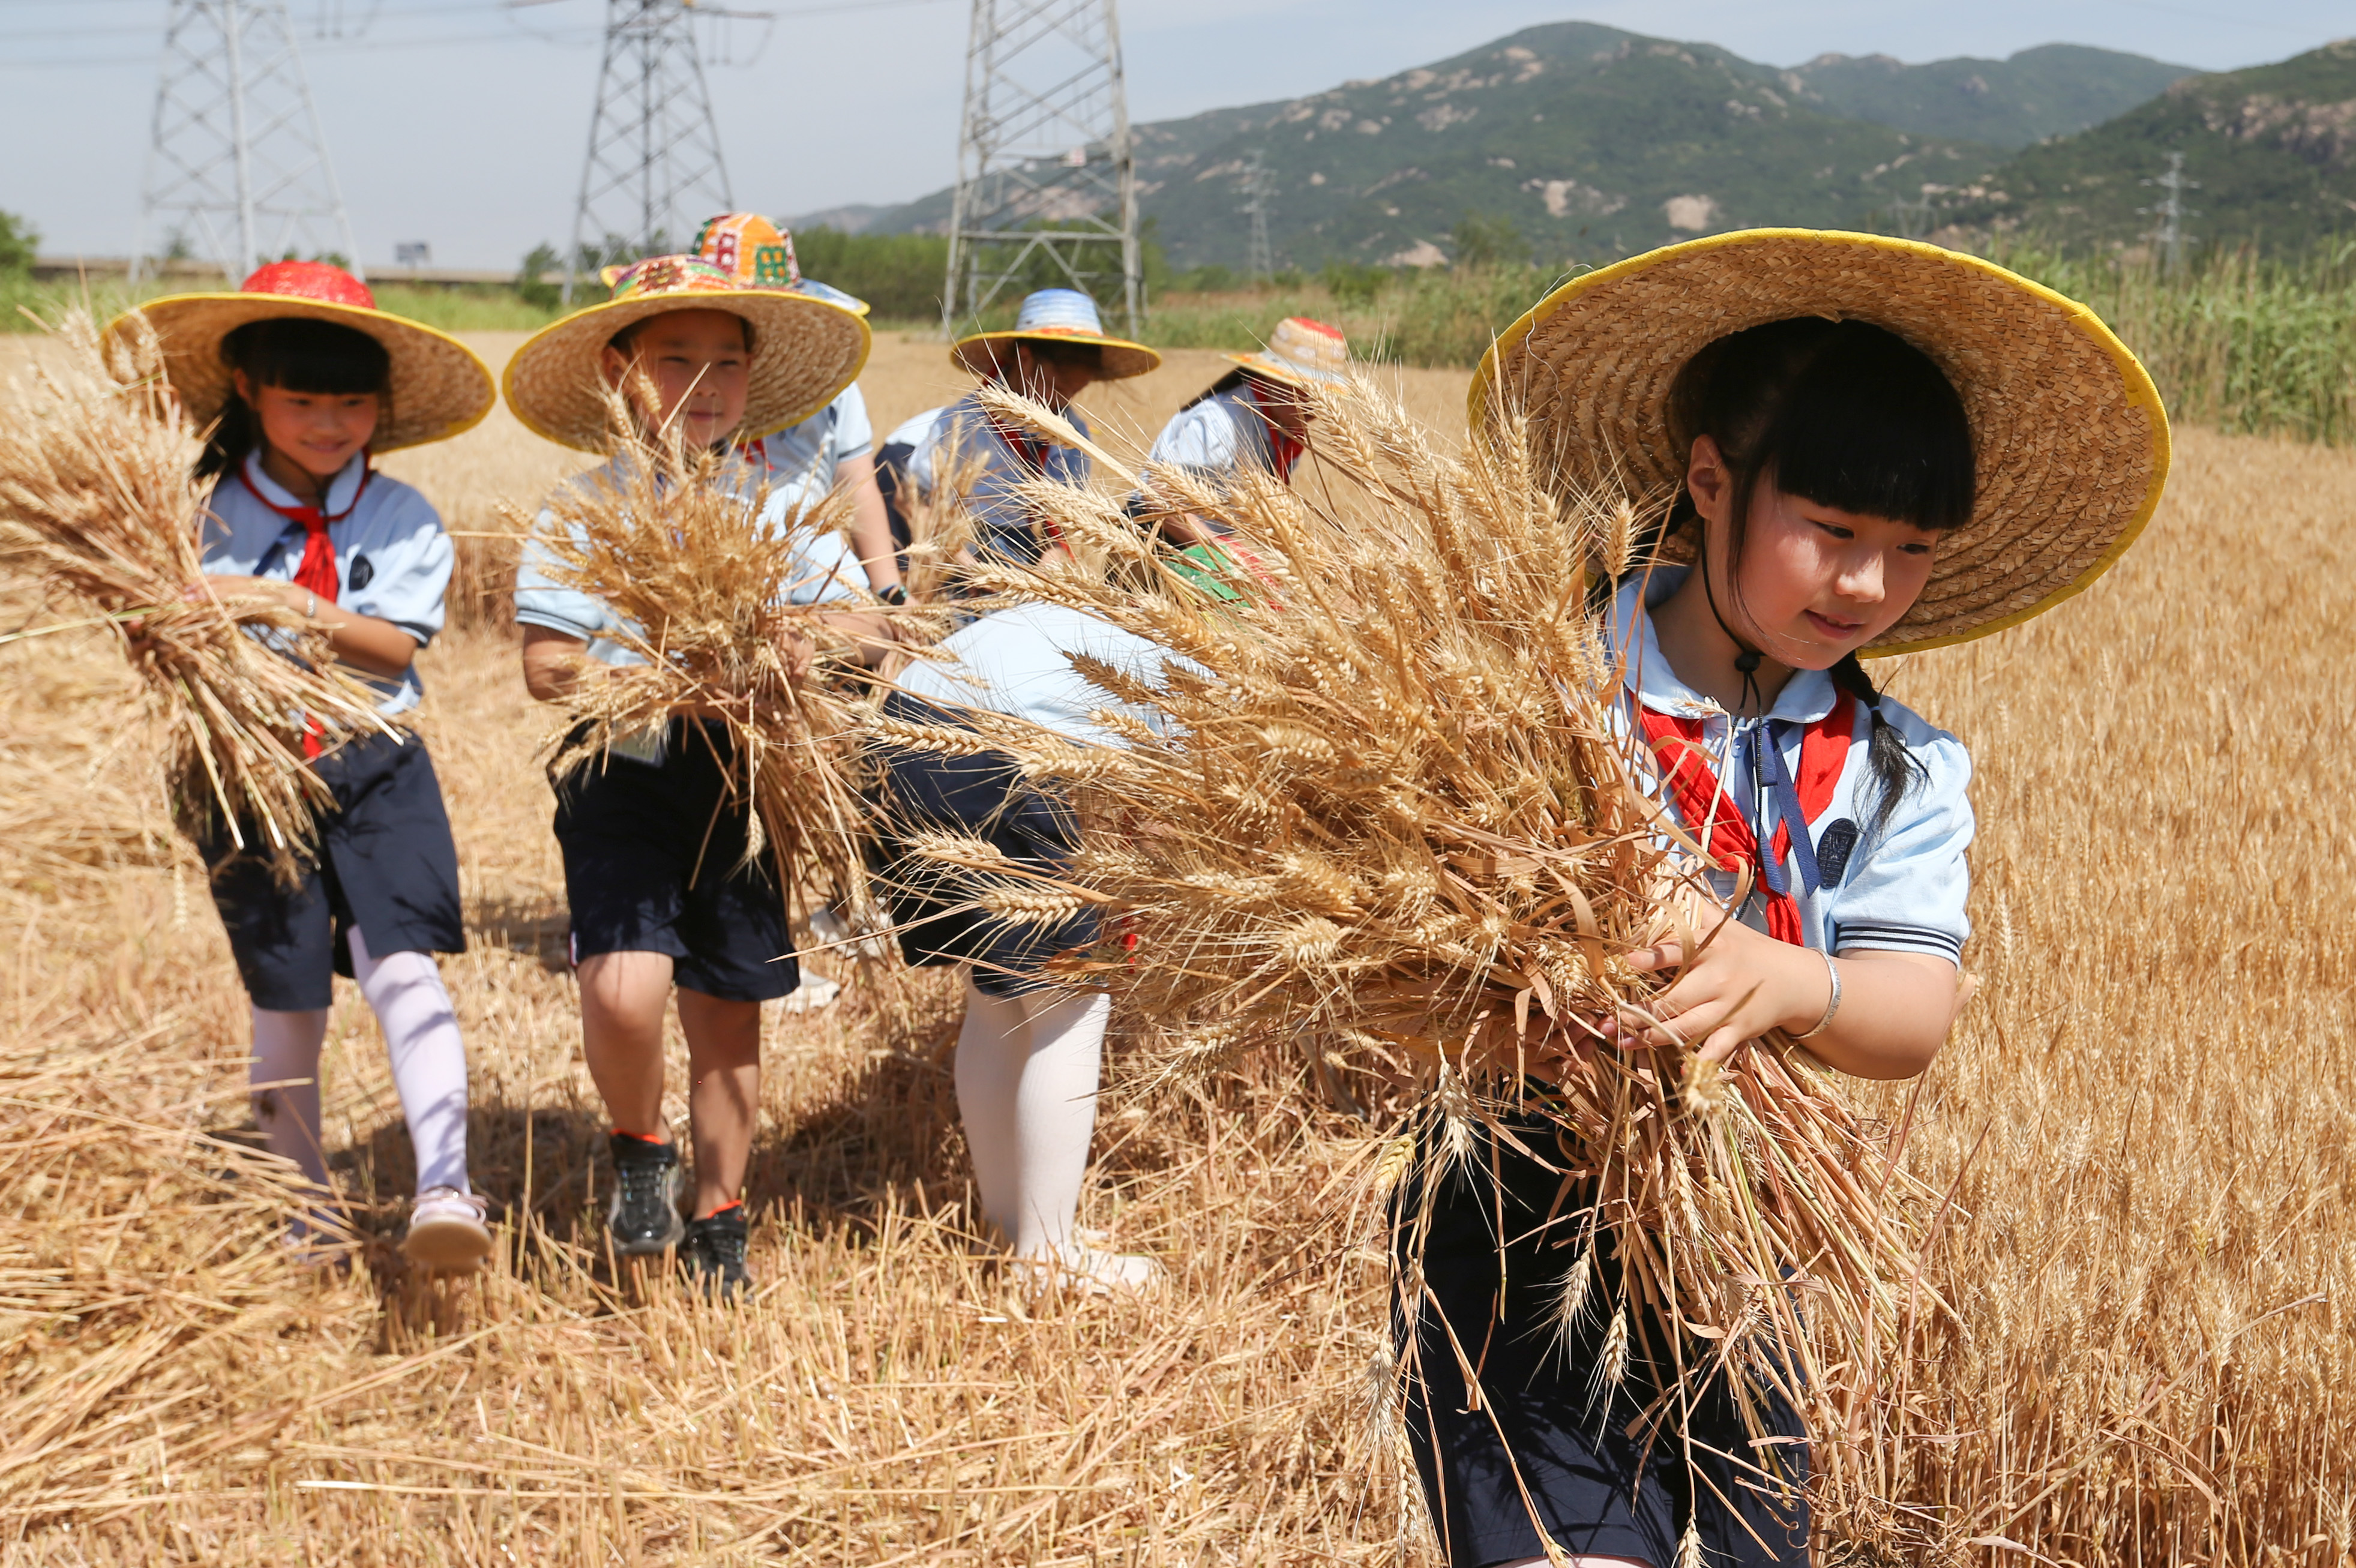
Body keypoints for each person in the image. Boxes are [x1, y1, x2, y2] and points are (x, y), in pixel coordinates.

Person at [1410, 232, 2171, 1567]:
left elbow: (1911, 1012)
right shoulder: (1534, 689)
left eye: (1912, 547)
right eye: (1829, 530)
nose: (1868, 584)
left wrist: (1785, 977)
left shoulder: (1898, 766)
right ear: (1710, 481)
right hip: (1517, 1222)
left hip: (1746, 1244)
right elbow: (1413, 954)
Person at [106, 261, 502, 1269]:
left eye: (353, 403)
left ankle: (447, 1187)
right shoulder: (187, 513)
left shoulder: (402, 514)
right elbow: (154, 638)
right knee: (287, 997)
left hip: (378, 761)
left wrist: (283, 607)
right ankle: (305, 1204)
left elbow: (396, 650)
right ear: (247, 387)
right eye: (302, 401)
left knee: (403, 963)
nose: (330, 423)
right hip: (242, 774)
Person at [504, 254, 881, 1297]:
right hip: (620, 779)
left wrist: (813, 640)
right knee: (623, 990)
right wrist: (670, 681)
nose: (705, 383)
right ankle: (639, 1144)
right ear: (620, 369)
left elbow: (862, 625)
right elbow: (546, 666)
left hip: (747, 789)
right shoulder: (584, 509)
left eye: (727, 362)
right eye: (677, 359)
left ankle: (720, 1210)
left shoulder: (777, 505)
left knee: (727, 1009)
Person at [873, 573, 1183, 1296]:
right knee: (1070, 1007)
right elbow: (1168, 816)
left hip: (899, 735)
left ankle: (1010, 1219)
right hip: (999, 750)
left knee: (992, 995)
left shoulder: (1083, 617)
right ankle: (1047, 1258)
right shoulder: (1198, 669)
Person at [690, 212, 909, 605]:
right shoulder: (679, 392)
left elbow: (857, 487)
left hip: (810, 580)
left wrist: (889, 589)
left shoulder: (831, 386)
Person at [907, 289, 1160, 569]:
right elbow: (915, 500)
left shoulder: (1073, 432)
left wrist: (1056, 553)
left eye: (1076, 390)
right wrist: (965, 565)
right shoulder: (963, 422)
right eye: (1060, 387)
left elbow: (1062, 517)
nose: (1065, 401)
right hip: (961, 549)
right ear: (1026, 360)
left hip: (1027, 549)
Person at [1137, 316, 1349, 548]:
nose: (1316, 406)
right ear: (1272, 378)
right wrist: (1228, 554)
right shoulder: (1218, 422)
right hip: (1150, 545)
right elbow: (1157, 496)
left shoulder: (1288, 428)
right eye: (1306, 392)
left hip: (1206, 552)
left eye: (1325, 396)